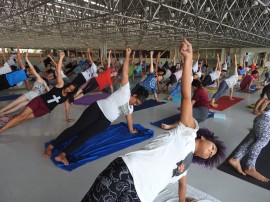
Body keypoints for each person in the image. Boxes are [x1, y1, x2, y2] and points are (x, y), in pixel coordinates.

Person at [80, 39, 226, 202]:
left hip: (141, 197)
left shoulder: (186, 165)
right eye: (212, 148)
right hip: (127, 172)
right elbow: (186, 96)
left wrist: (183, 200)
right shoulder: (189, 131)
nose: (210, 153)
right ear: (204, 138)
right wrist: (188, 59)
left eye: (211, 155)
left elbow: (182, 186)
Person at [44, 47, 150, 166]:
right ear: (134, 95)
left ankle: (62, 154)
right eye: (136, 101)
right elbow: (124, 72)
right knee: (76, 129)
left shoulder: (130, 108)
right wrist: (127, 55)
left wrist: (132, 130)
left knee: (85, 136)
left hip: (105, 122)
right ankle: (51, 146)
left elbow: (129, 118)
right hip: (97, 109)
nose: (134, 104)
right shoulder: (126, 92)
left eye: (137, 105)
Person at [0, 52, 78, 133]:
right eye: (69, 87)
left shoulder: (66, 97)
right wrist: (61, 58)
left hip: (45, 109)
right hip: (39, 101)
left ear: (72, 91)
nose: (68, 89)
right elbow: (58, 71)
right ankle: (1, 129)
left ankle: (6, 122)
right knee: (20, 116)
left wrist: (67, 118)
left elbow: (67, 108)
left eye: (70, 89)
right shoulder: (60, 85)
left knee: (22, 119)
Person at [0, 51, 50, 115]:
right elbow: (19, 59)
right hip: (5, 78)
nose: (33, 71)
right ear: (29, 69)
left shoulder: (26, 78)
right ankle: (2, 112)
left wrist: (33, 90)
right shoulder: (23, 69)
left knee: (16, 105)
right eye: (33, 70)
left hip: (8, 84)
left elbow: (28, 87)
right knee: (15, 104)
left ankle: (2, 112)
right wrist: (19, 51)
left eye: (34, 71)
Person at [228, 110, 270, 182]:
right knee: (261, 142)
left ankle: (236, 158)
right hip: (267, 122)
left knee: (251, 141)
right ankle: (250, 167)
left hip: (261, 118)